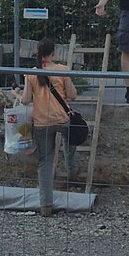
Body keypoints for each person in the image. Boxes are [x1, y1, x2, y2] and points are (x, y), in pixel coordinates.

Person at [12, 38, 78, 217]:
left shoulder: (31, 73)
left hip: (42, 123)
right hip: (62, 119)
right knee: (70, 139)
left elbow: (25, 100)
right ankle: (71, 168)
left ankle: (46, 206)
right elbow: (72, 95)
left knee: (45, 163)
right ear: (53, 53)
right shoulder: (63, 70)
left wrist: (16, 93)